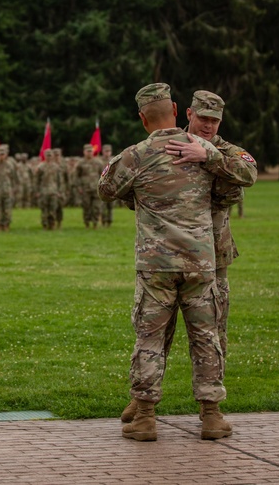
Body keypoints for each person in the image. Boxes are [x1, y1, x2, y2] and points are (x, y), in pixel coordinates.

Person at [98, 83, 231, 442]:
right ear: (176, 108)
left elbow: (106, 188)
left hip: (156, 265)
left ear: (142, 118)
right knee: (205, 337)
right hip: (200, 264)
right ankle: (211, 416)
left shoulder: (136, 155)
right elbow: (234, 180)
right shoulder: (204, 150)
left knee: (150, 338)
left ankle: (144, 417)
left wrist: (138, 194)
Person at [163, 90, 256, 392]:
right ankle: (144, 401)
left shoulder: (226, 151)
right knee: (155, 332)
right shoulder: (170, 144)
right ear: (188, 114)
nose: (208, 125)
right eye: (203, 118)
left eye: (214, 120)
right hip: (169, 255)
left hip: (213, 258)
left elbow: (249, 172)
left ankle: (211, 401)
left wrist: (209, 156)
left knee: (213, 333)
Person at [0, 144, 20, 231]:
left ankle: (6, 225)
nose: (2, 155)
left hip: (8, 190)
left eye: (3, 154)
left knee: (7, 209)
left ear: (6, 154)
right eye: (0, 154)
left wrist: (15, 189)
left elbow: (15, 178)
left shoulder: (10, 165)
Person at [75, 143, 104, 228]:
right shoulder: (80, 163)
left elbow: (103, 175)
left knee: (96, 207)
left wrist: (102, 186)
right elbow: (76, 176)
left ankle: (95, 223)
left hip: (96, 188)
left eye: (91, 151)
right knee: (86, 206)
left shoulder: (98, 162)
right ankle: (87, 223)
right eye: (87, 151)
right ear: (84, 152)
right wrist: (79, 187)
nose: (89, 153)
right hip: (85, 188)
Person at [99, 145, 114, 226]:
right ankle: (103, 220)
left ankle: (109, 221)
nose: (107, 153)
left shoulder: (114, 160)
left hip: (111, 186)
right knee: (102, 205)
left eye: (109, 151)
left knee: (111, 206)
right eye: (106, 151)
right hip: (102, 186)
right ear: (103, 151)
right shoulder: (99, 161)